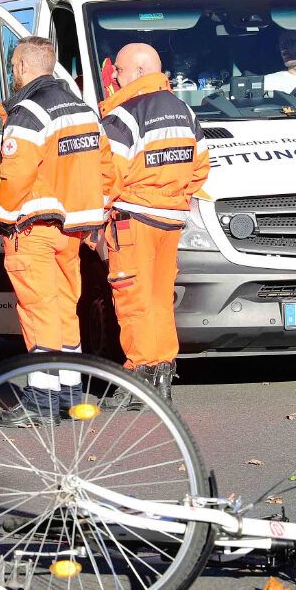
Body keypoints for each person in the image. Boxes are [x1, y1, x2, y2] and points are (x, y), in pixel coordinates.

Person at [0, 37, 110, 427]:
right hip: (71, 232)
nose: (12, 73)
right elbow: (106, 167)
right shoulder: (83, 111)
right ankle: (72, 397)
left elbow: (17, 173)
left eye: (13, 66)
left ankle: (41, 401)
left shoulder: (27, 111)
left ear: (23, 66)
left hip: (33, 229)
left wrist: (5, 217)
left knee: (38, 313)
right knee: (64, 312)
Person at [100, 43, 209, 404]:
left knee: (133, 298)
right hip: (171, 221)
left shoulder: (125, 115)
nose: (114, 76)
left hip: (133, 220)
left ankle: (138, 377)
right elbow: (200, 169)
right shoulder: (185, 112)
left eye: (118, 69)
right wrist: (174, 199)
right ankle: (162, 374)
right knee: (160, 300)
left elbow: (107, 176)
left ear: (140, 71)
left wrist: (95, 221)